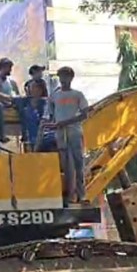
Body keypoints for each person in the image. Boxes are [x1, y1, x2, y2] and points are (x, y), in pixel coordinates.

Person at [46, 66, 90, 204]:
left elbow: (84, 115)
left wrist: (64, 122)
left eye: (65, 76)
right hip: (60, 133)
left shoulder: (78, 95)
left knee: (78, 164)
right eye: (61, 77)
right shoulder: (54, 95)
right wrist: (50, 124)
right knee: (65, 166)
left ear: (71, 78)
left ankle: (81, 195)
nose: (63, 80)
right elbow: (50, 115)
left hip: (74, 132)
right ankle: (69, 196)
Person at [0, 57, 19, 146]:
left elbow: (17, 94)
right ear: (2, 68)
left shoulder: (12, 82)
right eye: (8, 67)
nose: (10, 70)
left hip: (12, 104)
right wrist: (6, 102)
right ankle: (1, 135)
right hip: (2, 105)